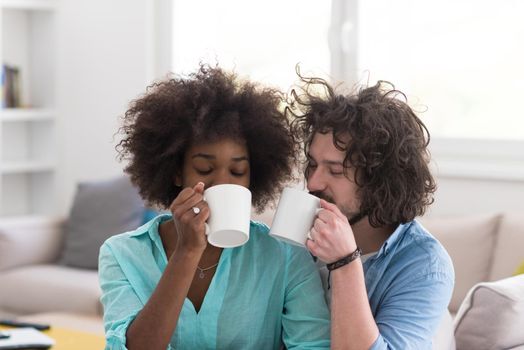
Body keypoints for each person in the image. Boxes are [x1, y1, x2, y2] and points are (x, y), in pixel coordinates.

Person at [98, 65, 331, 349]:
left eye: (237, 172)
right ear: (176, 172)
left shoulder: (285, 257)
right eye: (204, 168)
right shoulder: (122, 255)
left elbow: (313, 346)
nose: (221, 182)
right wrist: (187, 251)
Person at [288, 75, 454, 349]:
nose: (313, 183)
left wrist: (344, 262)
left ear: (379, 179)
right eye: (313, 165)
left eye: (336, 171)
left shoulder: (425, 266)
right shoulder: (300, 232)